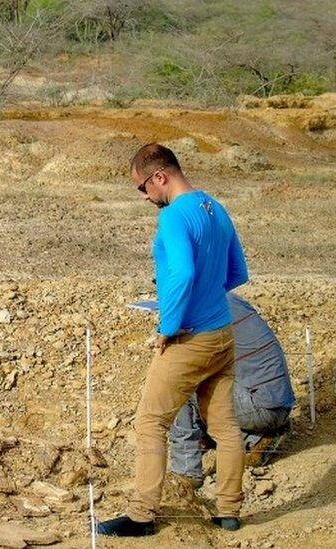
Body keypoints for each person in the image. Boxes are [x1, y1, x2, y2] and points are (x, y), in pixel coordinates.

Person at [97, 143, 249, 536]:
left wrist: (170, 325)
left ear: (160, 176)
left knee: (150, 422)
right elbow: (236, 273)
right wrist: (207, 296)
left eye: (143, 188)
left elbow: (181, 273)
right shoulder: (215, 207)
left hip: (191, 337)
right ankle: (229, 510)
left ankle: (142, 515)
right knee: (224, 425)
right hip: (223, 332)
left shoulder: (174, 218)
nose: (145, 197)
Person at [169, 292, 296, 484]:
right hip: (277, 404)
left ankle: (187, 472)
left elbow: (192, 366)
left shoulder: (201, 310)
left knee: (179, 387)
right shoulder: (226, 299)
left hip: (259, 405)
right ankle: (257, 438)